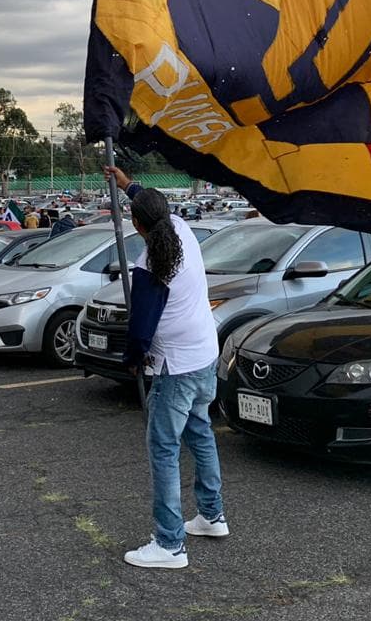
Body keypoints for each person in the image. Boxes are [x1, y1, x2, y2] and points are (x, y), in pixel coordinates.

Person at [102, 166, 225, 571]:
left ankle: (170, 544)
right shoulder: (181, 229)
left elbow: (141, 328)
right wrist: (127, 185)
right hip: (204, 351)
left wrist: (131, 361)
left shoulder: (149, 262)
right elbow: (153, 204)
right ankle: (211, 515)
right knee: (200, 431)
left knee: (164, 448)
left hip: (175, 364)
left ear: (136, 224)